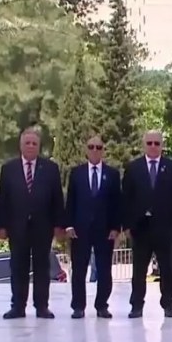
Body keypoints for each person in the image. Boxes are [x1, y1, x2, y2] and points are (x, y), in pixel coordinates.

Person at [0, 128, 65, 319]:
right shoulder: (8, 169)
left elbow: (57, 199)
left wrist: (59, 225)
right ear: (21, 145)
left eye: (34, 143)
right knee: (18, 267)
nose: (30, 146)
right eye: (27, 143)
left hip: (42, 227)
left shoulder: (50, 169)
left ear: (39, 146)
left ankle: (42, 306)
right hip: (17, 227)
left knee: (42, 267)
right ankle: (18, 306)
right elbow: (3, 200)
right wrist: (1, 226)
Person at [123, 130, 172, 319]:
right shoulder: (133, 168)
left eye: (157, 143)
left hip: (165, 228)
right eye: (150, 143)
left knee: (167, 269)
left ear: (162, 145)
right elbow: (126, 199)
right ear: (144, 145)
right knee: (139, 270)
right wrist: (127, 226)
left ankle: (168, 304)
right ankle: (136, 305)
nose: (153, 147)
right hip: (141, 229)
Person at [64, 134, 122, 319]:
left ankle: (102, 305)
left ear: (103, 150)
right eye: (91, 147)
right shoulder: (77, 173)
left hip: (104, 230)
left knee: (104, 270)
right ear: (86, 150)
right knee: (79, 270)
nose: (95, 150)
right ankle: (78, 306)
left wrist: (116, 228)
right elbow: (71, 201)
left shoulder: (112, 174)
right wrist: (68, 225)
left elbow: (116, 203)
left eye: (98, 147)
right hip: (80, 229)